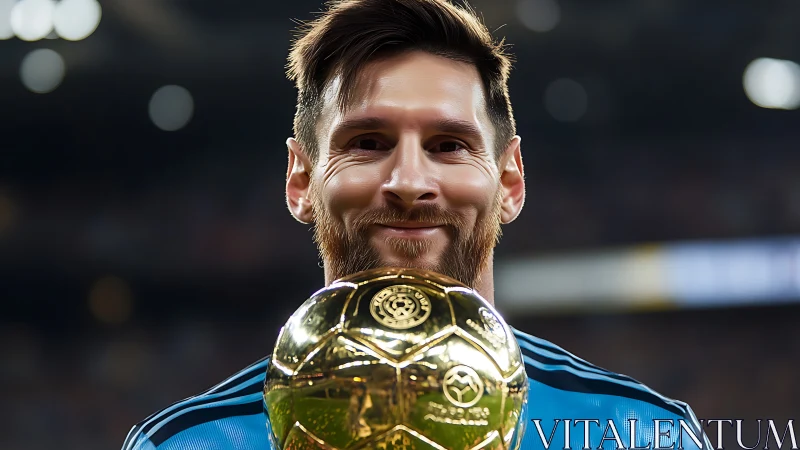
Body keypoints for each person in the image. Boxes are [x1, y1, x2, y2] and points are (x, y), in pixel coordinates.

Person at [122, 0, 711, 449]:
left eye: (450, 144)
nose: (409, 180)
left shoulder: (637, 432)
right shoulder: (188, 442)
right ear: (301, 180)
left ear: (509, 181)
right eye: (367, 142)